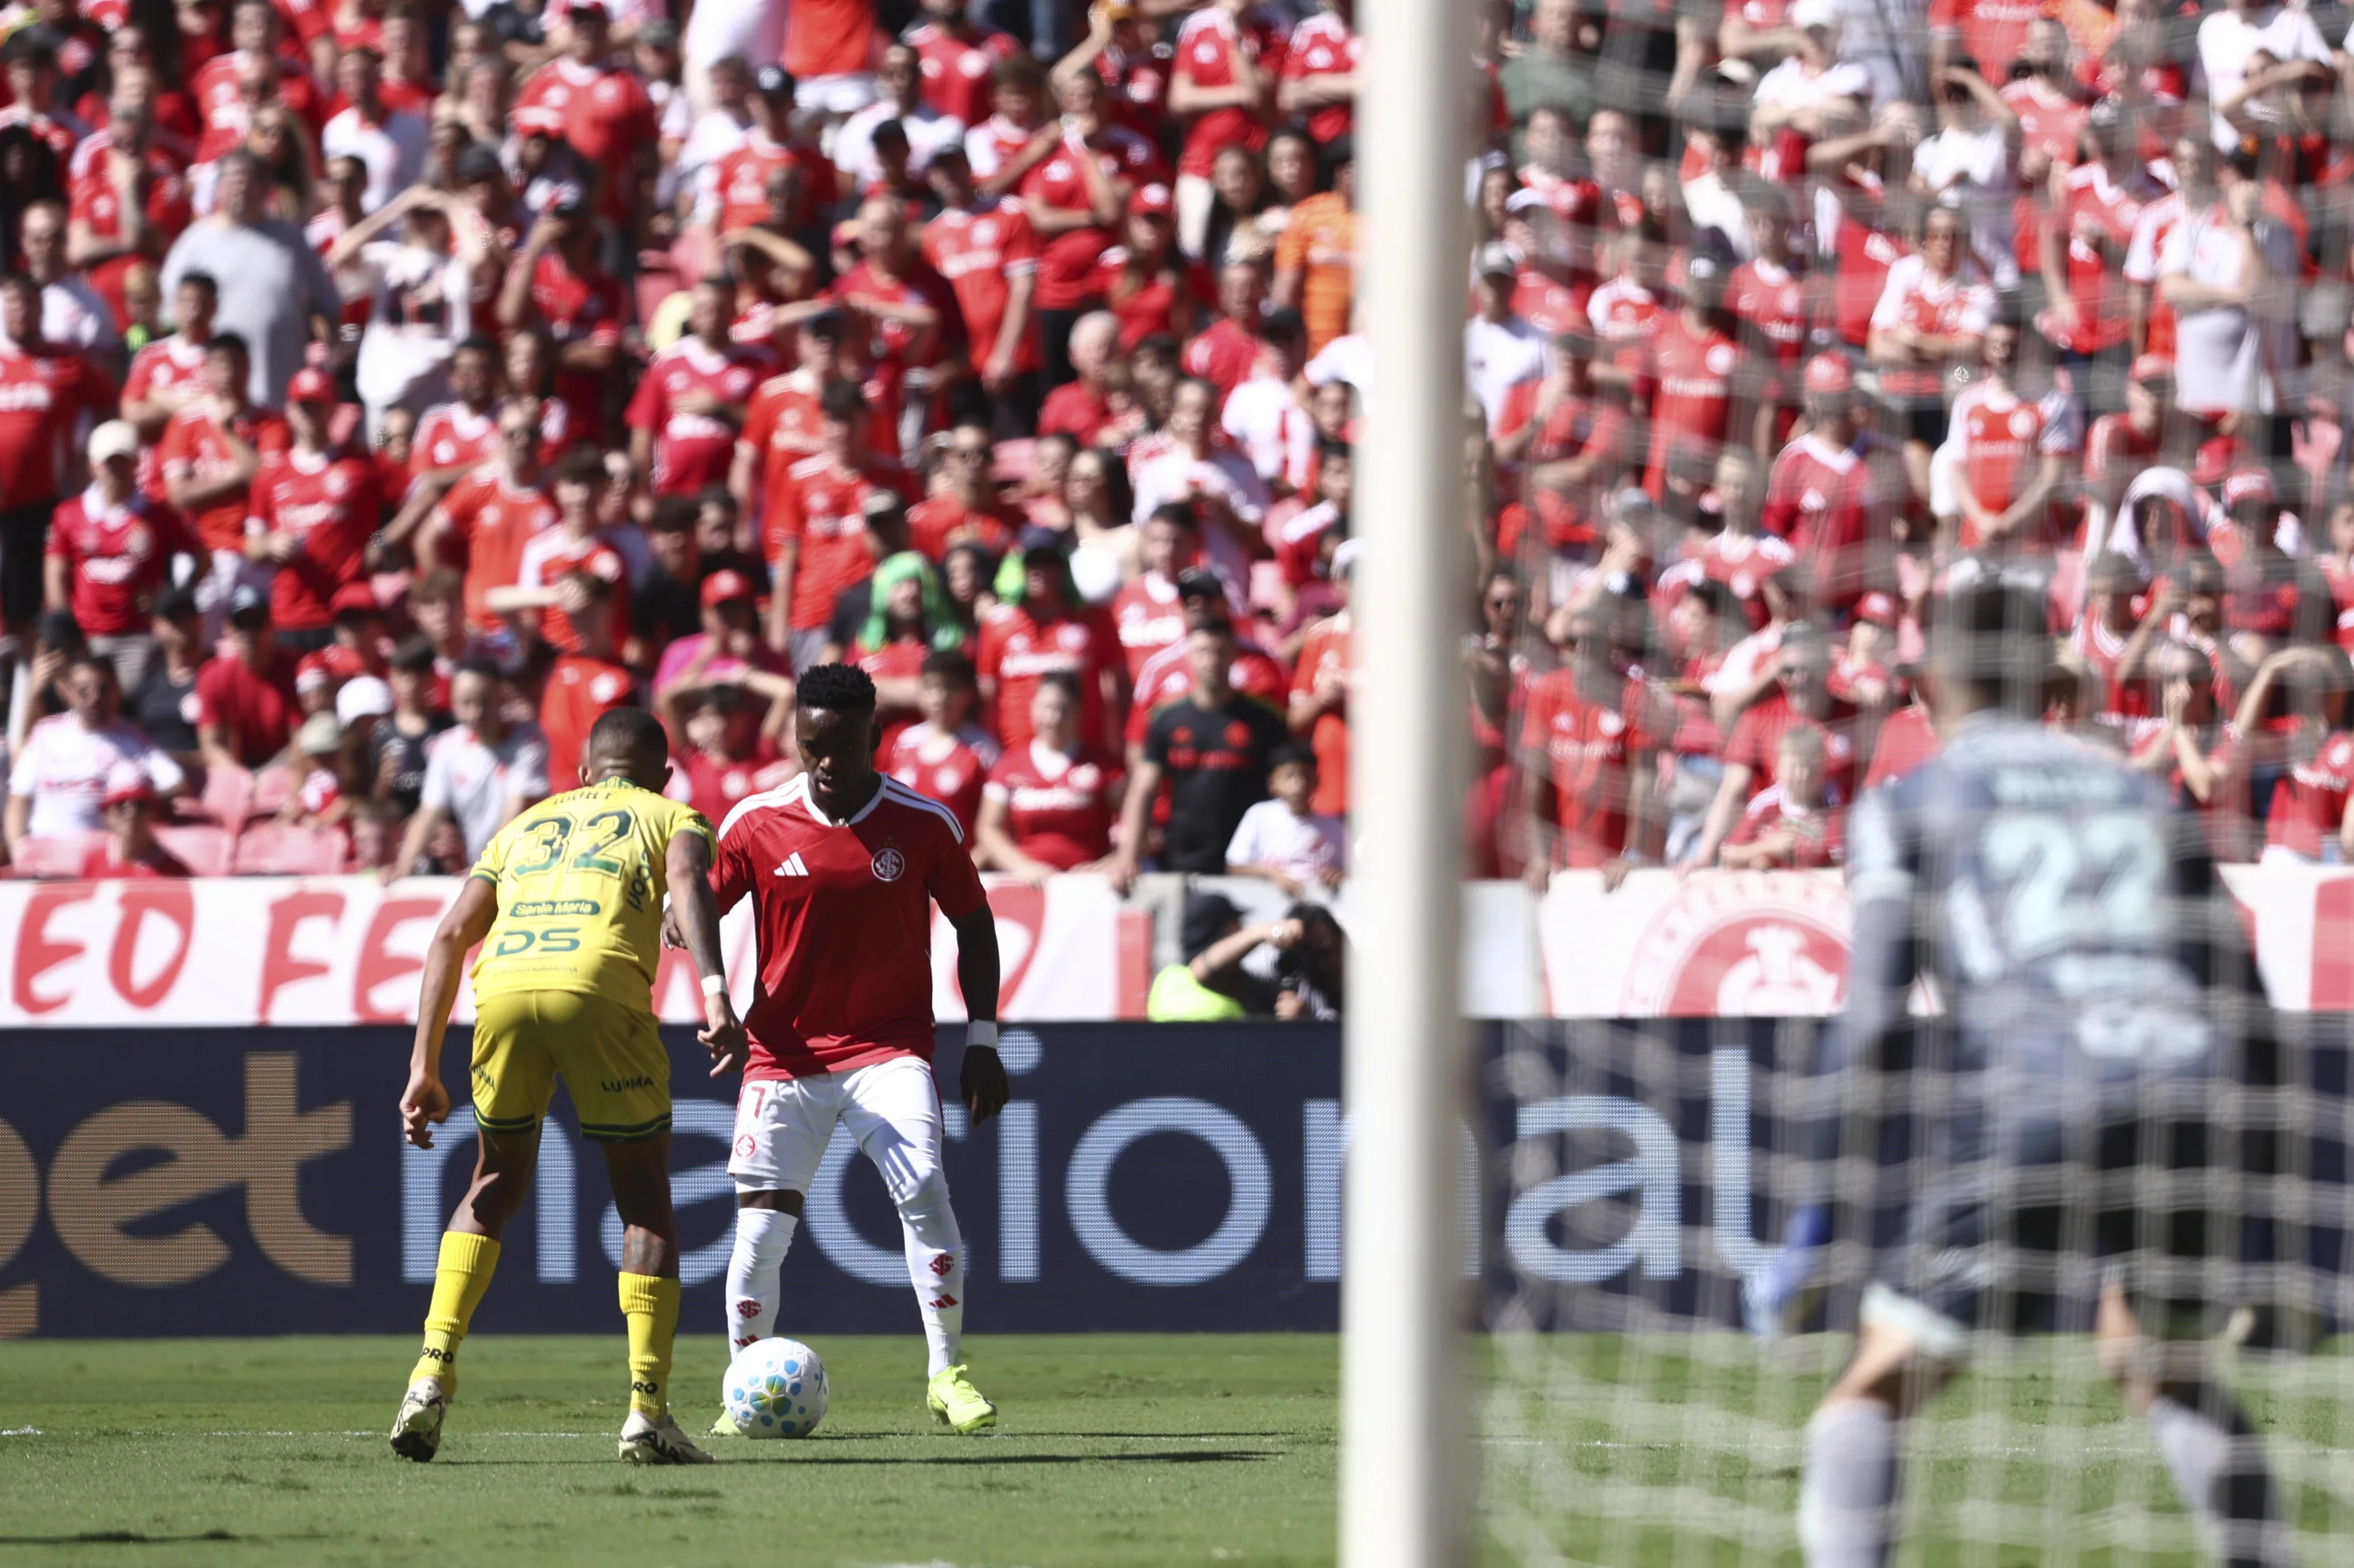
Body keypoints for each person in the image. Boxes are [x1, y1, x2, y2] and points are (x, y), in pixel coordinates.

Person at [1774, 574, 2295, 1568]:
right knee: (2159, 1366)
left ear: (1926, 681)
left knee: (1868, 1390)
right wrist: (2271, 1207)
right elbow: (2250, 1011)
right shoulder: (2137, 791)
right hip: (2186, 1088)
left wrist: (1814, 1219)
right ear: (2047, 680)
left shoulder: (1906, 804)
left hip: (2034, 1089)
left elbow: (1875, 1019)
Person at [392, 705, 740, 1467]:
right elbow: (685, 876)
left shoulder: (524, 825)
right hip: (598, 986)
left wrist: (424, 1066)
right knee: (644, 1197)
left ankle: (429, 1374)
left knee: (492, 1180)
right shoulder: (671, 813)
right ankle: (648, 1410)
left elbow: (450, 934)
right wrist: (714, 988)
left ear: (583, 773)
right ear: (662, 774)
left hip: (505, 988)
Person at [674, 662, 1007, 1437]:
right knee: (759, 1231)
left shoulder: (924, 823)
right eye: (811, 744)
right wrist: (706, 974)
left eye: (842, 746)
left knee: (924, 1185)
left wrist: (984, 1038)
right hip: (783, 1055)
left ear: (875, 739)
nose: (825, 762)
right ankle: (742, 1389)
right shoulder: (756, 822)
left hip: (889, 1050)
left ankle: (947, 1374)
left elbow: (976, 925)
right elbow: (693, 908)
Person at [158, 150, 340, 407]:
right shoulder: (194, 243)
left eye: (249, 179)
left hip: (281, 395)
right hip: (214, 400)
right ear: (218, 186)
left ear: (266, 188)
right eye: (233, 179)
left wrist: (327, 347)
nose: (240, 187)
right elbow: (168, 319)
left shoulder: (291, 240)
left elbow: (327, 305)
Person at [1113, 620, 1291, 883]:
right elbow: (1143, 789)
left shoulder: (1264, 719)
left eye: (1220, 652)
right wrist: (1127, 856)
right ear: (1189, 658)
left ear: (1233, 656)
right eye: (1203, 652)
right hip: (1185, 859)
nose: (1212, 661)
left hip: (1251, 863)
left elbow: (1286, 784)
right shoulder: (1168, 718)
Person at [6, 651, 185, 856]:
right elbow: (19, 799)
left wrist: (129, 796)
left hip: (101, 857)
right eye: (84, 691)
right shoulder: (46, 733)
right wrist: (18, 850)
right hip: (45, 854)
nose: (94, 698)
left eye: (102, 689)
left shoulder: (132, 739)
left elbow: (176, 783)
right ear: (69, 693)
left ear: (117, 691)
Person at [391, 658, 549, 873]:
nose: (476, 713)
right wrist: (402, 868)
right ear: (454, 704)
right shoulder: (448, 746)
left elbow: (518, 809)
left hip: (528, 868)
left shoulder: (529, 741)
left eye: (484, 701)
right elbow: (430, 812)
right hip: (485, 868)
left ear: (502, 697)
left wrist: (483, 870)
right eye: (466, 703)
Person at [973, 669, 1124, 882]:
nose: (1054, 718)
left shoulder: (1104, 765)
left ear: (1079, 711)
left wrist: (1109, 865)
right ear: (1033, 708)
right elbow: (988, 829)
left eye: (1063, 709)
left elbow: (1139, 827)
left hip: (1090, 888)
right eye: (1047, 708)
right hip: (1027, 888)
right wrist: (1022, 867)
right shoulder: (1008, 765)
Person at [1225, 740, 1346, 897]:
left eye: (1306, 776)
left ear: (1317, 781)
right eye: (1290, 776)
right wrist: (1273, 875)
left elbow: (1351, 872)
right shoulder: (1259, 816)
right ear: (1272, 784)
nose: (1299, 784)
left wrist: (1337, 876)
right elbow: (1234, 867)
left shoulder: (1333, 825)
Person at [78, 765, 192, 877]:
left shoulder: (174, 872)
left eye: (140, 805)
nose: (131, 813)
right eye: (121, 805)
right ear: (106, 815)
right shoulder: (93, 861)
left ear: (153, 813)